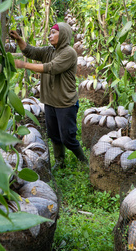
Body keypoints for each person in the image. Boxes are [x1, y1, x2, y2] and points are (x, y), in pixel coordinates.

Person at [9, 22, 88, 169]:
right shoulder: (49, 51)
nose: (50, 35)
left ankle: (83, 161)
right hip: (50, 101)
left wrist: (24, 65)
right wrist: (19, 39)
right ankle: (60, 162)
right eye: (50, 33)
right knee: (54, 135)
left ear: (63, 35)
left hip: (65, 102)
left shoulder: (69, 52)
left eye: (53, 32)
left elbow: (51, 68)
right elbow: (31, 51)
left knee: (68, 137)